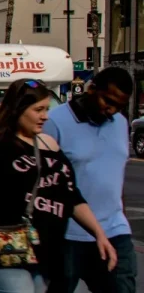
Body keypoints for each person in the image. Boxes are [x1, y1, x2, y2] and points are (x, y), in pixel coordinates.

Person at [0, 79, 117, 292]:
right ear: (18, 109)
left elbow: (71, 196)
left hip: (46, 252)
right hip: (4, 250)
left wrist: (99, 234)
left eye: (46, 109)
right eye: (38, 109)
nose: (45, 116)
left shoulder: (49, 144)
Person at [42, 67, 136, 292]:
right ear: (91, 88)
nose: (111, 110)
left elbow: (115, 175)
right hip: (66, 234)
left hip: (114, 230)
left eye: (120, 106)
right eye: (108, 100)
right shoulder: (54, 121)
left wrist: (119, 210)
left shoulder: (120, 123)